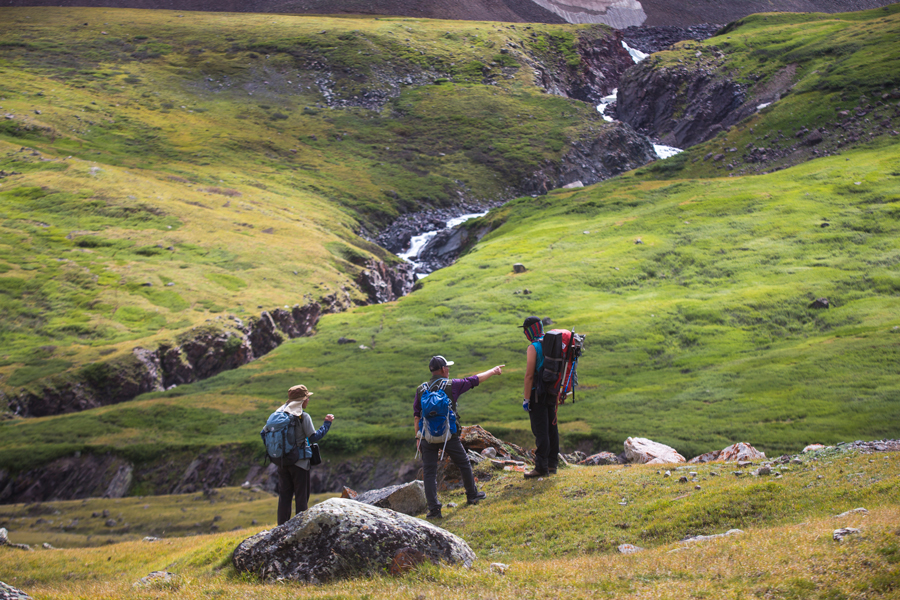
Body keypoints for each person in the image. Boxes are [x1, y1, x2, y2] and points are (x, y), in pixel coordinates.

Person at [414, 355, 504, 518]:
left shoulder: (421, 389)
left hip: (427, 437)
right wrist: (493, 371)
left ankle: (434, 510)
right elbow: (474, 380)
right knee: (463, 463)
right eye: (447, 367)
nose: (448, 369)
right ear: (443, 369)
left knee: (429, 472)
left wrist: (418, 438)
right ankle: (472, 495)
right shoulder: (451, 385)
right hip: (449, 436)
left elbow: (416, 416)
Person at [275, 384, 334, 525]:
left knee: (284, 496)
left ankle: (281, 528)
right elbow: (313, 437)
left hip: (282, 462)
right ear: (302, 400)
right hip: (300, 463)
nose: (308, 400)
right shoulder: (302, 416)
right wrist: (326, 424)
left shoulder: (278, 415)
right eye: (307, 398)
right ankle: (300, 527)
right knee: (301, 497)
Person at [521, 316, 559, 479]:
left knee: (540, 430)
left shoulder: (533, 347)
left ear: (529, 330)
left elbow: (529, 376)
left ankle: (541, 467)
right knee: (552, 428)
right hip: (552, 392)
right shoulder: (552, 344)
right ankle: (552, 464)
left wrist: (526, 399)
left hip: (538, 394)